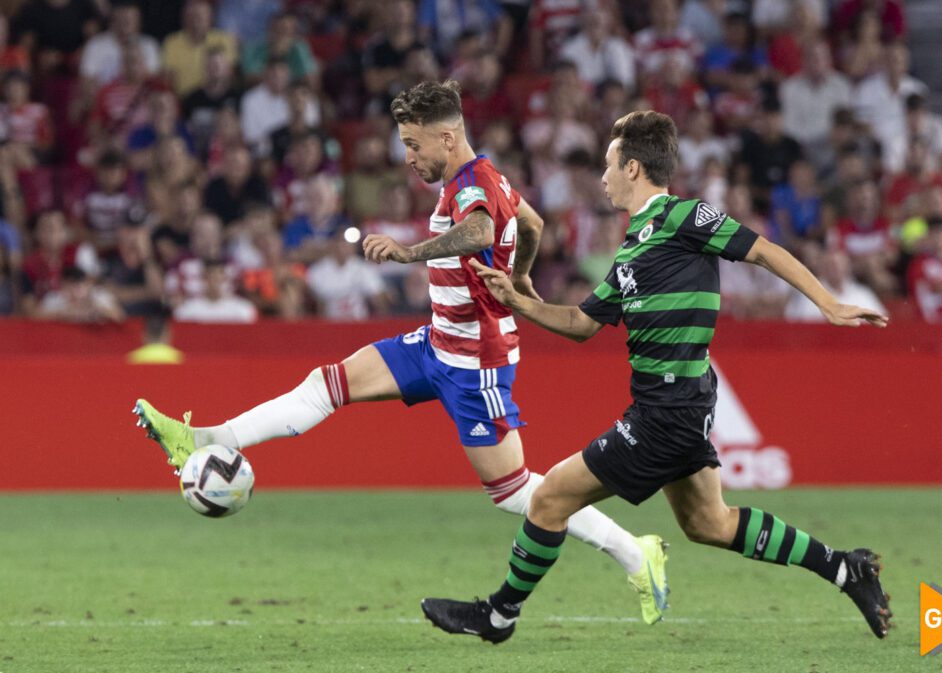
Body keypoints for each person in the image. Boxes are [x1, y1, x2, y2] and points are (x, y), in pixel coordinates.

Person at [132, 80, 671, 624]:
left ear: (447, 135)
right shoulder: (486, 175)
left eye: (415, 145)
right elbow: (531, 224)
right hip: (439, 340)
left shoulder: (473, 183)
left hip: (474, 363)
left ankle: (636, 552)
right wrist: (521, 276)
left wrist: (411, 252)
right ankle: (201, 439)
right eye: (404, 145)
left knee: (512, 491)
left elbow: (482, 227)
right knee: (328, 384)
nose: (408, 157)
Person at [419, 110, 893, 644]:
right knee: (708, 523)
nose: (602, 177)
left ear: (634, 168)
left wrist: (828, 304)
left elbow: (762, 250)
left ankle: (498, 616)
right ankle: (845, 568)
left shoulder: (683, 217)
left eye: (608, 165)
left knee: (550, 498)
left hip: (666, 413)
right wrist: (516, 300)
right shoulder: (635, 244)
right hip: (679, 405)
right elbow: (580, 323)